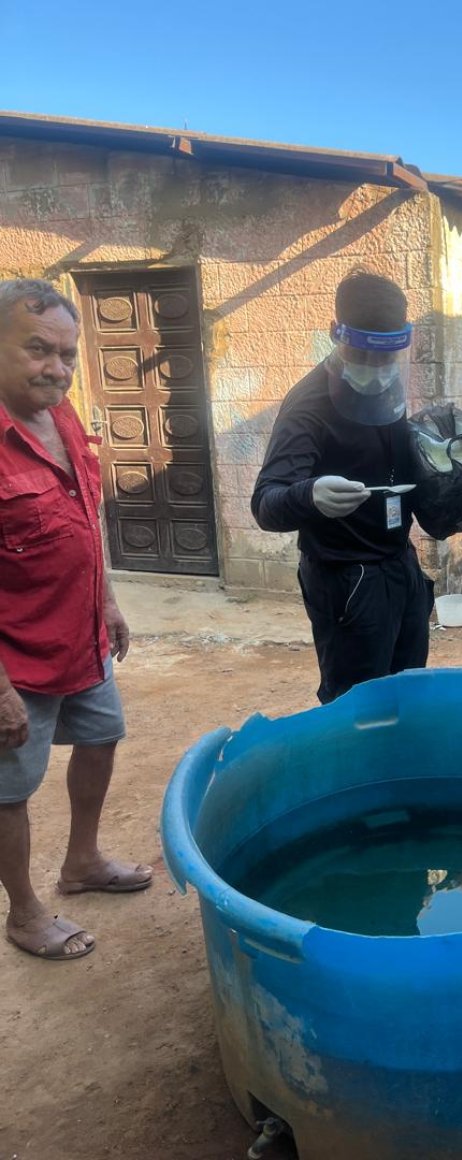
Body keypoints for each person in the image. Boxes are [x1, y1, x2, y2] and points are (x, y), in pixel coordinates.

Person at [0, 279, 152, 962]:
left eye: (66, 354)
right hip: (16, 658)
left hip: (81, 636)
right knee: (9, 790)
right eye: (37, 349)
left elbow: (85, 518)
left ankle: (82, 861)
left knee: (103, 738)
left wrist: (110, 601)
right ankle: (25, 912)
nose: (56, 369)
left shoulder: (60, 419)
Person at [251, 271, 434, 704]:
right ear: (337, 334)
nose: (375, 370)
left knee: (406, 692)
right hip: (348, 579)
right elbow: (265, 502)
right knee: (356, 706)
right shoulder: (309, 404)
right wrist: (308, 495)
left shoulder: (390, 388)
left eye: (386, 358)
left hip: (398, 563)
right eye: (364, 355)